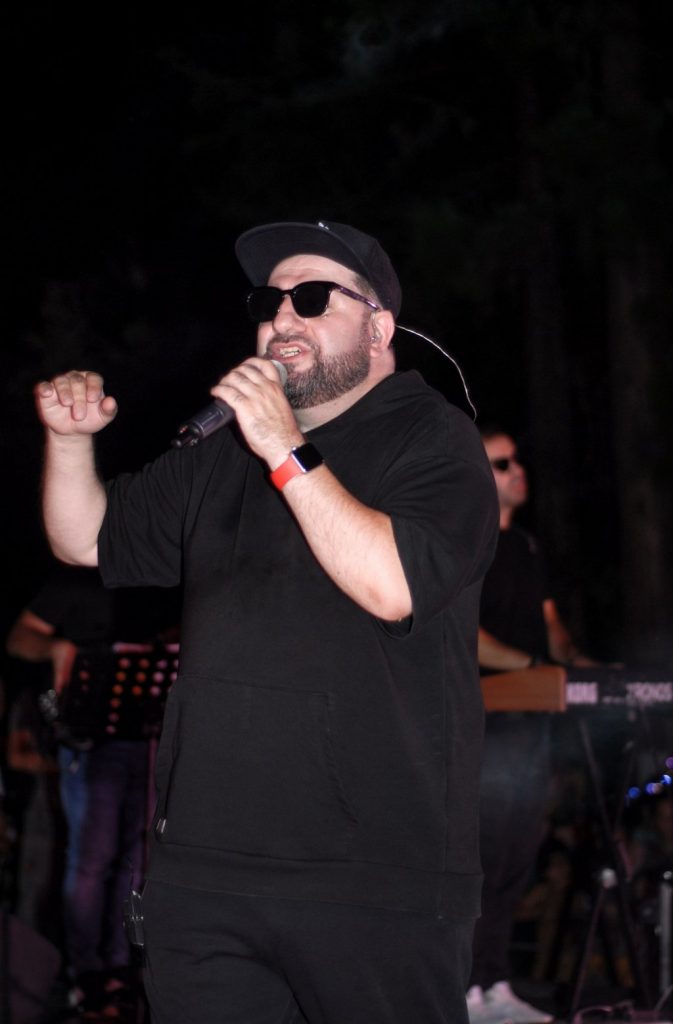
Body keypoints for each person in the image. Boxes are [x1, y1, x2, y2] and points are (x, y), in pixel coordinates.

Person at [33, 219, 499, 1024]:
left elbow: (393, 584)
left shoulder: (433, 436)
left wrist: (284, 448)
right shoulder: (223, 450)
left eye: (311, 298)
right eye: (267, 301)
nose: (282, 317)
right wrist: (68, 442)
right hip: (205, 873)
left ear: (379, 327)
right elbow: (87, 539)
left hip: (371, 875)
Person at [5, 564, 181, 1021]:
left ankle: (120, 969)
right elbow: (19, 636)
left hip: (147, 742)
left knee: (137, 861)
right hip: (89, 743)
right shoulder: (78, 578)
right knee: (92, 861)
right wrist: (56, 648)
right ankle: (87, 976)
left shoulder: (162, 576)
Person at [467, 427, 597, 1024]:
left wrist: (581, 667)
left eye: (517, 459)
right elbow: (465, 633)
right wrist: (531, 667)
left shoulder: (525, 546)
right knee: (483, 855)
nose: (518, 469)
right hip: (485, 723)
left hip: (533, 723)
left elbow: (551, 626)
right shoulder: (465, 539)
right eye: (502, 463)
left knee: (519, 856)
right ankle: (464, 985)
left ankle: (495, 984)